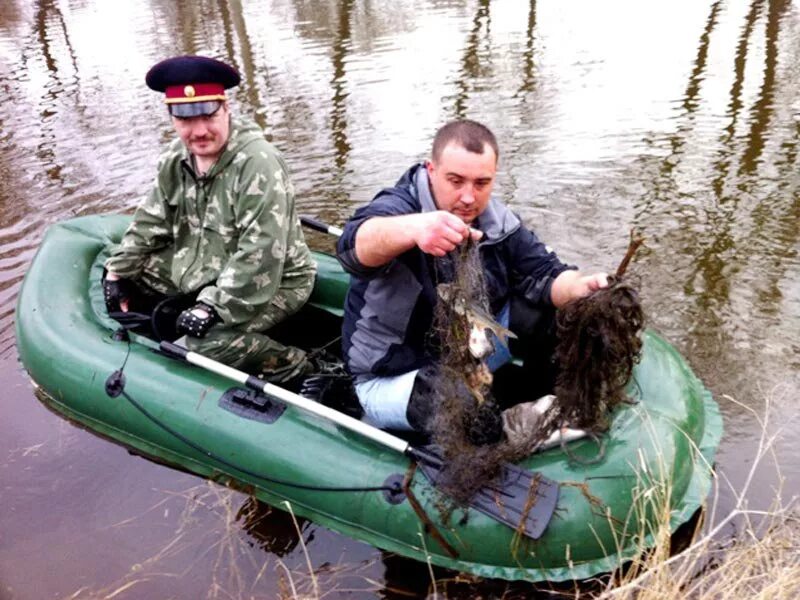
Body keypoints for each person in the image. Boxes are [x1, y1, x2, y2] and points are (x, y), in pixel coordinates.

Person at [336, 119, 608, 432]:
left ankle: (538, 400)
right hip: (392, 377)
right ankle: (497, 432)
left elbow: (546, 274)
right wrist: (415, 228)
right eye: (456, 181)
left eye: (481, 183)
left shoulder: (499, 221)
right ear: (431, 170)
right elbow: (351, 247)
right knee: (460, 402)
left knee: (555, 316)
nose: (469, 197)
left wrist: (581, 287)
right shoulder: (398, 206)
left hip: (474, 353)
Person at [103, 55, 316, 383]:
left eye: (208, 116)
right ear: (172, 117)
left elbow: (260, 254)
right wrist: (118, 272)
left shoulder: (258, 164)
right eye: (186, 119)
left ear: (225, 108)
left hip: (276, 280)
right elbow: (152, 219)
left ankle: (294, 364)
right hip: (208, 262)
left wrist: (211, 307)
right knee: (125, 272)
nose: (199, 131)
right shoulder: (176, 158)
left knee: (201, 347)